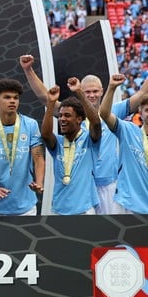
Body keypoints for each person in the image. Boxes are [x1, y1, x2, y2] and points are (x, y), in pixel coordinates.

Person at [20, 55, 146, 213]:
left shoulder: (114, 111)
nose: (91, 95)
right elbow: (45, 99)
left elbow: (141, 94)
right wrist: (28, 69)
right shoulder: (72, 115)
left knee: (112, 233)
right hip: (84, 188)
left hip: (109, 185)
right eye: (87, 92)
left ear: (101, 92)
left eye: (95, 91)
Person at [0, 79, 45, 216]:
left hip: (26, 207)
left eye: (16, 98)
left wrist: (39, 182)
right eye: (7, 97)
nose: (12, 101)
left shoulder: (30, 125)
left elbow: (38, 158)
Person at [40, 79, 102, 215]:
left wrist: (79, 92)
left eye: (67, 116)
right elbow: (45, 134)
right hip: (58, 210)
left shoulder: (89, 140)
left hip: (84, 209)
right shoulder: (58, 142)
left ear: (79, 119)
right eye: (60, 116)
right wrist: (50, 103)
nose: (62, 119)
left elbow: (96, 123)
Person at [98, 73, 148, 214]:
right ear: (140, 112)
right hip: (125, 203)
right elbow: (105, 114)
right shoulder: (128, 130)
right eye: (147, 110)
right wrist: (112, 87)